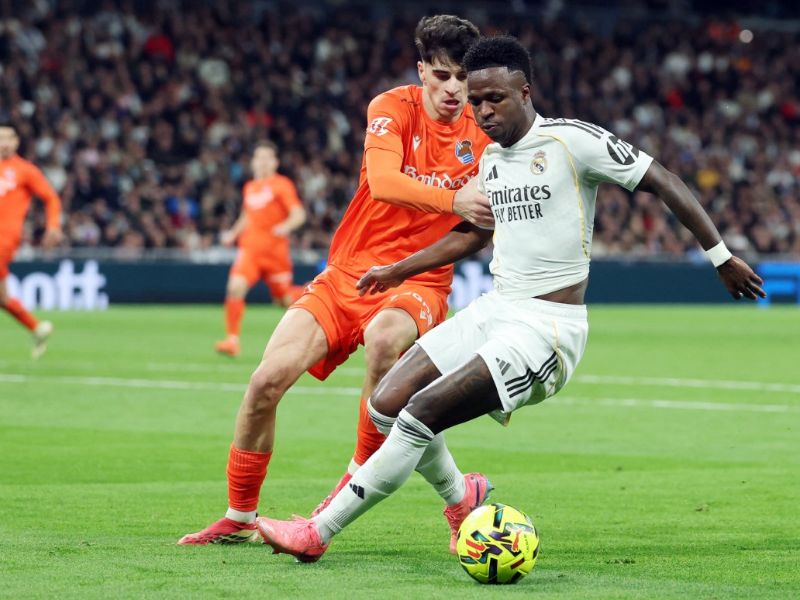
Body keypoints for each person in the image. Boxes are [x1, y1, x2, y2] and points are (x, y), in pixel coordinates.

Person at [253, 35, 767, 562]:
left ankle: (317, 532)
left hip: (546, 330)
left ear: (525, 92)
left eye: (494, 98)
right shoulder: (491, 159)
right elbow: (473, 235)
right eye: (476, 101)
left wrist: (721, 256)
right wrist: (397, 270)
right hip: (496, 309)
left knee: (418, 414)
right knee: (384, 403)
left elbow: (663, 180)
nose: (482, 111)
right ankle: (462, 496)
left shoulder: (571, 141)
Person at [178, 15, 495, 546]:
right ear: (422, 71)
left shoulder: (484, 132)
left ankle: (346, 490)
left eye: (463, 78)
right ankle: (239, 516)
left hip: (419, 279)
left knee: (385, 340)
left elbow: (483, 221)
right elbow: (385, 182)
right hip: (350, 271)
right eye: (442, 75)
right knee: (265, 382)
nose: (453, 89)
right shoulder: (391, 108)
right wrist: (453, 198)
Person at [215, 141, 307, 357]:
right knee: (235, 286)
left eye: (267, 158)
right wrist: (232, 234)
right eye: (259, 157)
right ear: (253, 162)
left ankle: (312, 292)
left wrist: (286, 226)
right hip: (251, 251)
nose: (263, 162)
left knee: (283, 300)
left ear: (275, 162)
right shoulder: (250, 187)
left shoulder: (282, 185)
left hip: (275, 253)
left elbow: (299, 214)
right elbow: (246, 216)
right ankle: (232, 340)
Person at [0, 122, 64, 359]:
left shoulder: (25, 170)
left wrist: (53, 225)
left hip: (5, 238)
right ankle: (37, 328)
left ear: (16, 142)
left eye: (9, 138)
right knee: (3, 298)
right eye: (0, 138)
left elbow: (51, 198)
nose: (4, 143)